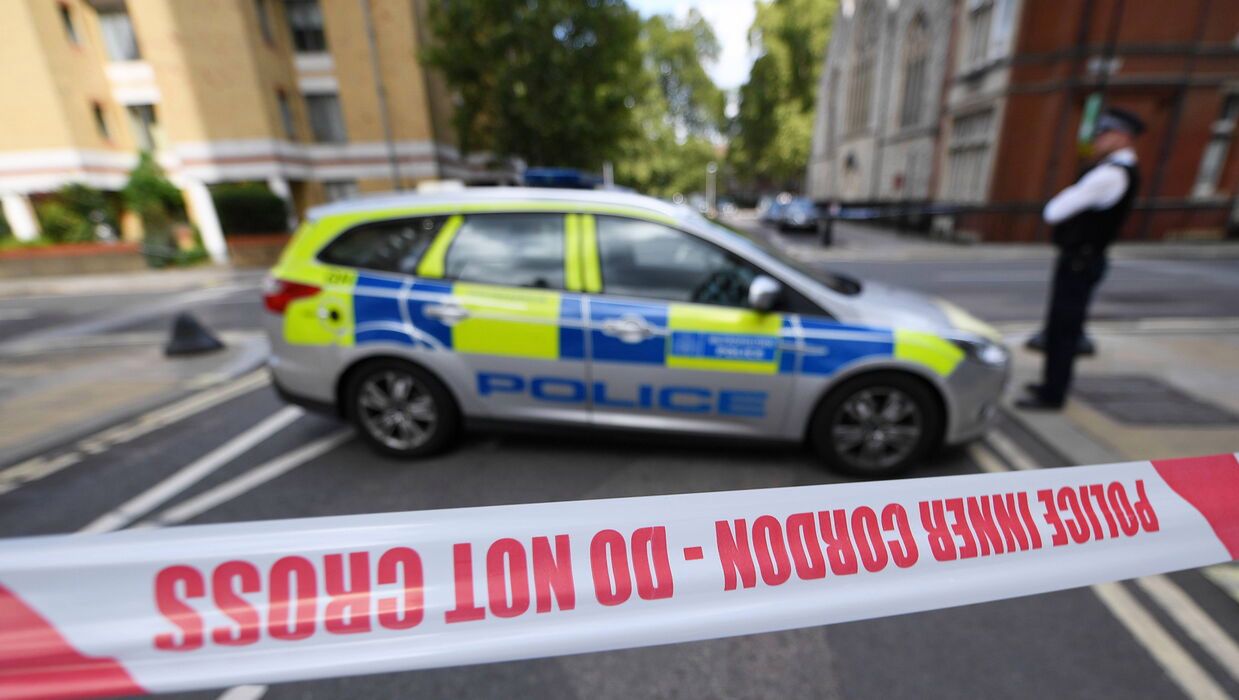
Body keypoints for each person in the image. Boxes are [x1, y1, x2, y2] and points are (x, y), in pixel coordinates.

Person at [1017, 107, 1145, 411]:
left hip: (1079, 261)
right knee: (1061, 327)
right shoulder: (1118, 170)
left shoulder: (1109, 174)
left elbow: (1055, 211)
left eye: (1104, 134)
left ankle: (1052, 394)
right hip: (1086, 260)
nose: (1098, 139)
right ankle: (1051, 385)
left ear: (1123, 137)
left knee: (1063, 330)